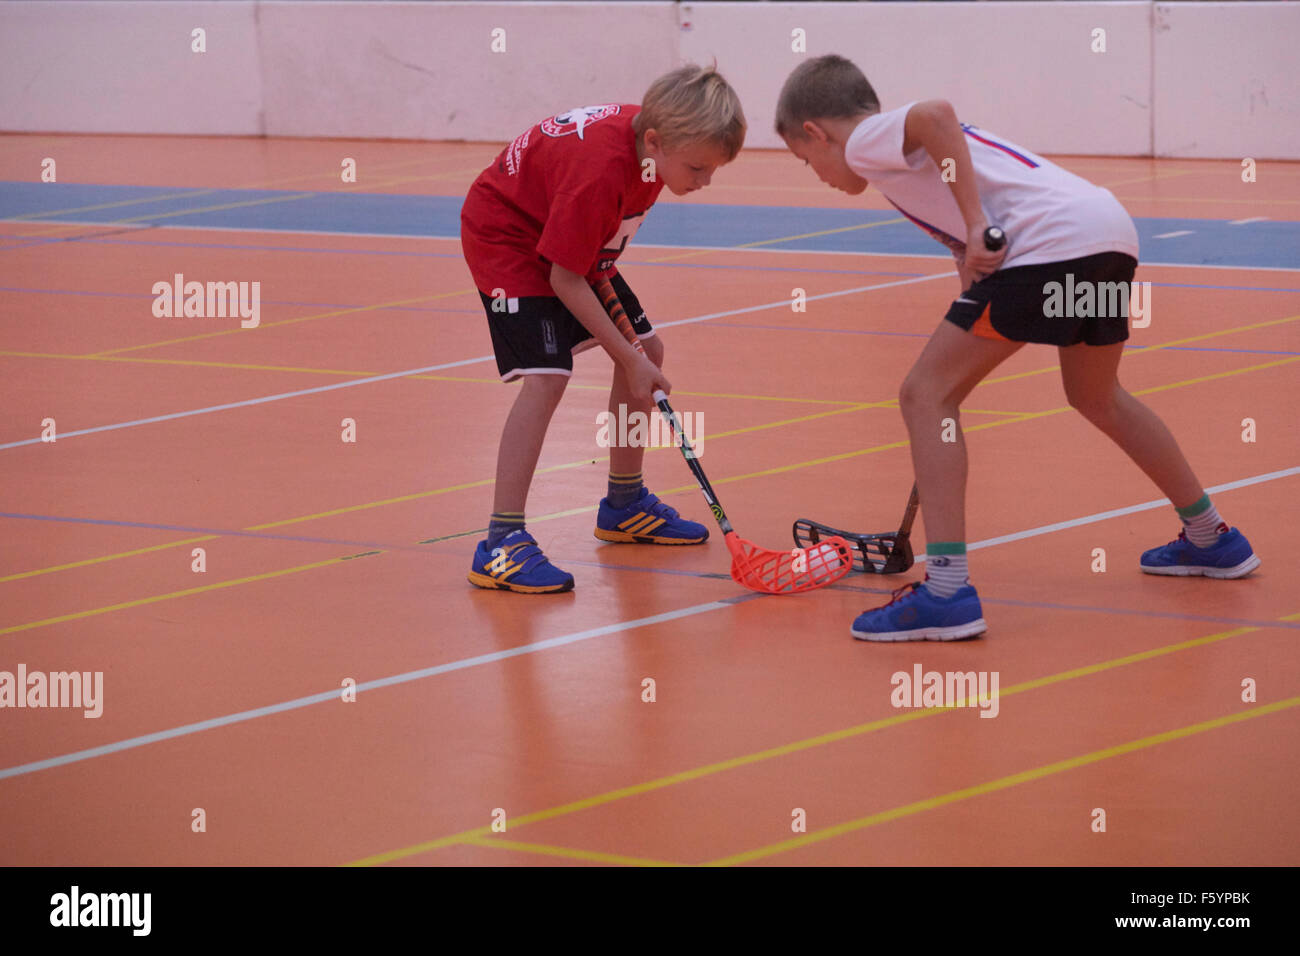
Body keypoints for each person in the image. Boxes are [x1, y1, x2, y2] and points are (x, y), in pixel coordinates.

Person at [775, 54, 1259, 641]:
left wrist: (976, 222)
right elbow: (965, 212)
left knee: (926, 396)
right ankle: (1213, 538)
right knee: (1097, 395)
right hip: (1105, 238)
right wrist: (967, 252)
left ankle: (947, 593)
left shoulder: (865, 142)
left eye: (807, 161)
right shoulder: (903, 163)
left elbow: (935, 113)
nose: (819, 172)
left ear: (815, 132)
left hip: (1052, 249)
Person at [460, 66, 747, 593]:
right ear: (656, 141)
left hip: (561, 232)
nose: (704, 181)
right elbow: (564, 277)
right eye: (698, 168)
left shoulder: (650, 156)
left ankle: (624, 504)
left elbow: (593, 253)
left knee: (649, 350)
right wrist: (627, 356)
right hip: (508, 235)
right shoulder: (600, 170)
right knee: (548, 376)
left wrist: (636, 355)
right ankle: (500, 543)